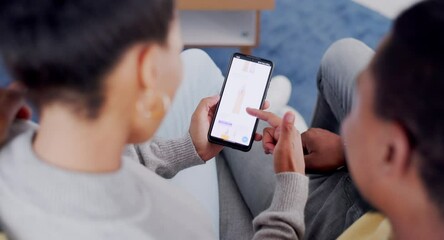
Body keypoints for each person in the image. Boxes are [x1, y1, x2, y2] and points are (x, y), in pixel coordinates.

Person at [0, 0, 308, 239]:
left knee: (196, 63)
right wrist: (288, 198)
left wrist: (188, 148)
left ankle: (253, 106)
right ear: (147, 69)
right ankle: (272, 110)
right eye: (175, 48)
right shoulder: (177, 225)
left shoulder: (12, 134)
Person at [225, 0, 444, 239]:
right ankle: (287, 125)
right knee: (343, 53)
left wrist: (290, 184)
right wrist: (345, 150)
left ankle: (281, 118)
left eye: (359, 111)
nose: (345, 122)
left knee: (225, 110)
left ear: (390, 152)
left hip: (349, 217)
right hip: (394, 188)